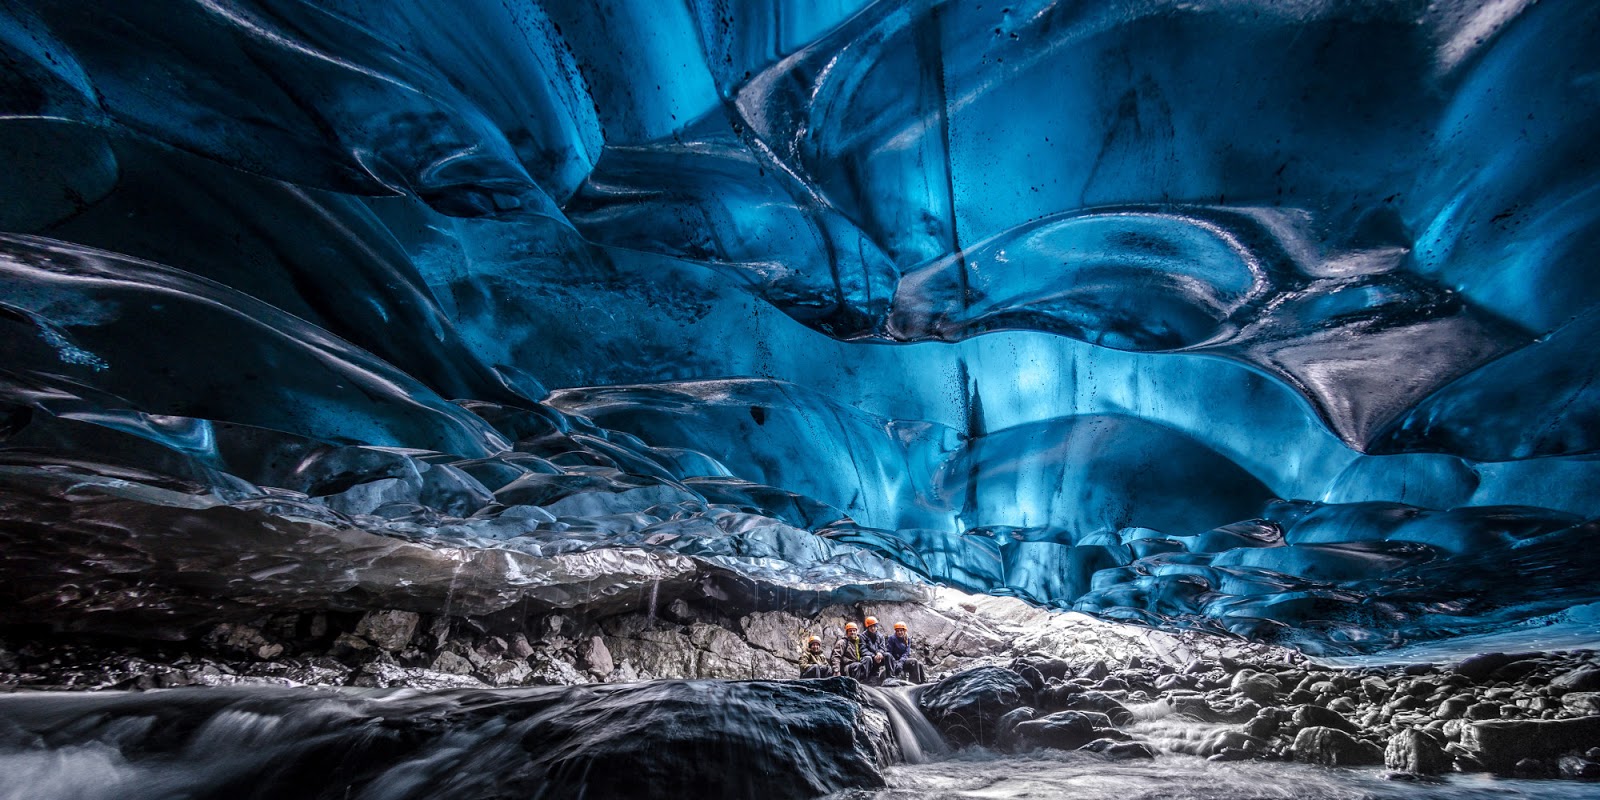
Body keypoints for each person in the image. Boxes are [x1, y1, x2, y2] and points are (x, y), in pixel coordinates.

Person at [860, 616, 891, 683]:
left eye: (874, 626)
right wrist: (873, 656)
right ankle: (865, 679)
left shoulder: (880, 636)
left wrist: (880, 653)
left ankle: (890, 677)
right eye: (871, 627)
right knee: (867, 658)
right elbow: (863, 650)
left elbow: (882, 647)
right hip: (869, 658)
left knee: (888, 655)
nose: (873, 628)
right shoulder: (863, 636)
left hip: (878, 656)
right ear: (868, 627)